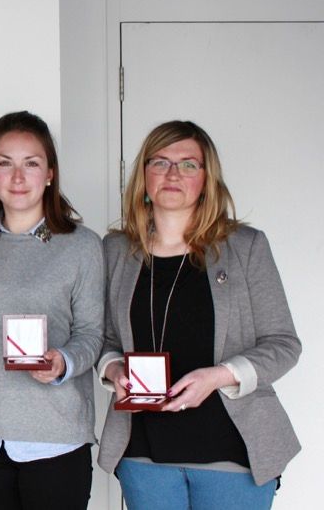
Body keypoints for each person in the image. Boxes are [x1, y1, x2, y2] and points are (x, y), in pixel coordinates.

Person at [97, 120, 301, 509]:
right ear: (144, 176)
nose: (173, 174)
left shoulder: (245, 247)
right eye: (160, 162)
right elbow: (106, 338)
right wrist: (114, 371)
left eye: (189, 164)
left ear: (207, 179)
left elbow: (284, 345)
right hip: (144, 455)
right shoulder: (116, 250)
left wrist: (218, 377)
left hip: (231, 454)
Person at [0, 111, 103, 510]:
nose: (18, 178)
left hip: (55, 435)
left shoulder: (82, 245)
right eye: (5, 163)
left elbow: (92, 333)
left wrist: (63, 362)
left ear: (50, 173)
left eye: (31, 163)